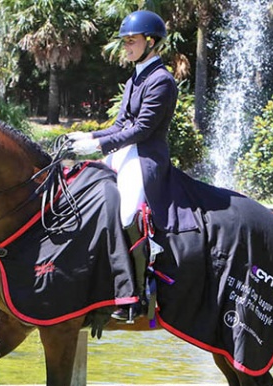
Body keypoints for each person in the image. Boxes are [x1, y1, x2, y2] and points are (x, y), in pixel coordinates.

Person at [68, 10, 178, 322]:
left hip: (145, 157)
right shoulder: (135, 78)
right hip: (122, 153)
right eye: (125, 42)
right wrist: (89, 135)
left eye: (131, 41)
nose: (126, 47)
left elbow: (142, 129)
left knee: (127, 212)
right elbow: (120, 125)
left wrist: (99, 145)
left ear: (151, 42)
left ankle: (138, 294)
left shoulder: (162, 81)